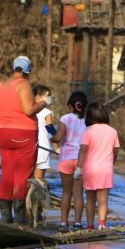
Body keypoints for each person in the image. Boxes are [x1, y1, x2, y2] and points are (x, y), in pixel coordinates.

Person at [0, 56, 49, 224]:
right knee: (23, 173)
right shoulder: (24, 85)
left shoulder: (0, 85)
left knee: (7, 172)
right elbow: (29, 109)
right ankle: (20, 215)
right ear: (28, 71)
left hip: (3, 133)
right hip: (23, 134)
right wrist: (44, 103)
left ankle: (5, 215)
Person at [74, 102, 120, 230]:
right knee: (103, 200)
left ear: (89, 116)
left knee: (90, 199)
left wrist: (78, 167)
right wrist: (112, 162)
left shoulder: (88, 132)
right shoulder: (113, 131)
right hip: (106, 169)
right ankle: (102, 224)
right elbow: (116, 150)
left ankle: (90, 225)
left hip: (90, 169)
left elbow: (83, 150)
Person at [50, 91, 87, 232]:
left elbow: (58, 138)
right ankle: (77, 223)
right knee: (78, 194)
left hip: (66, 160)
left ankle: (63, 223)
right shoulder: (87, 120)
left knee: (66, 193)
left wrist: (52, 137)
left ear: (69, 105)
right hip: (81, 162)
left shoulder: (65, 118)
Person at [33, 84, 56, 187]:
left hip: (31, 147)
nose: (49, 99)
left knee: (30, 177)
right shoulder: (46, 112)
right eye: (47, 96)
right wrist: (57, 146)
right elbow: (50, 129)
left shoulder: (29, 111)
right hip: (43, 149)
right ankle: (42, 197)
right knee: (39, 178)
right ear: (37, 97)